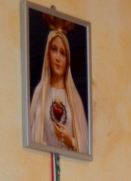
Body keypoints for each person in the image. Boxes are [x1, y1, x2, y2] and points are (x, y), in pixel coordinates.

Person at [29, 22, 89, 153]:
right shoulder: (40, 93)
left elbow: (85, 146)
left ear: (67, 59)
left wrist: (70, 140)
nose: (57, 58)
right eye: (54, 50)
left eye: (62, 53)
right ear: (48, 54)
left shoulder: (74, 99)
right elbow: (32, 137)